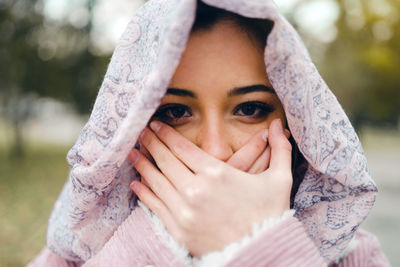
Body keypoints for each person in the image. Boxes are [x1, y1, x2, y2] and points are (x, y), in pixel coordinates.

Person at [28, 0, 390, 266]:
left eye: (249, 109)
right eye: (176, 112)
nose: (215, 152)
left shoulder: (354, 256)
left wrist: (265, 247)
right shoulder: (72, 255)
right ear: (131, 132)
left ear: (295, 123)